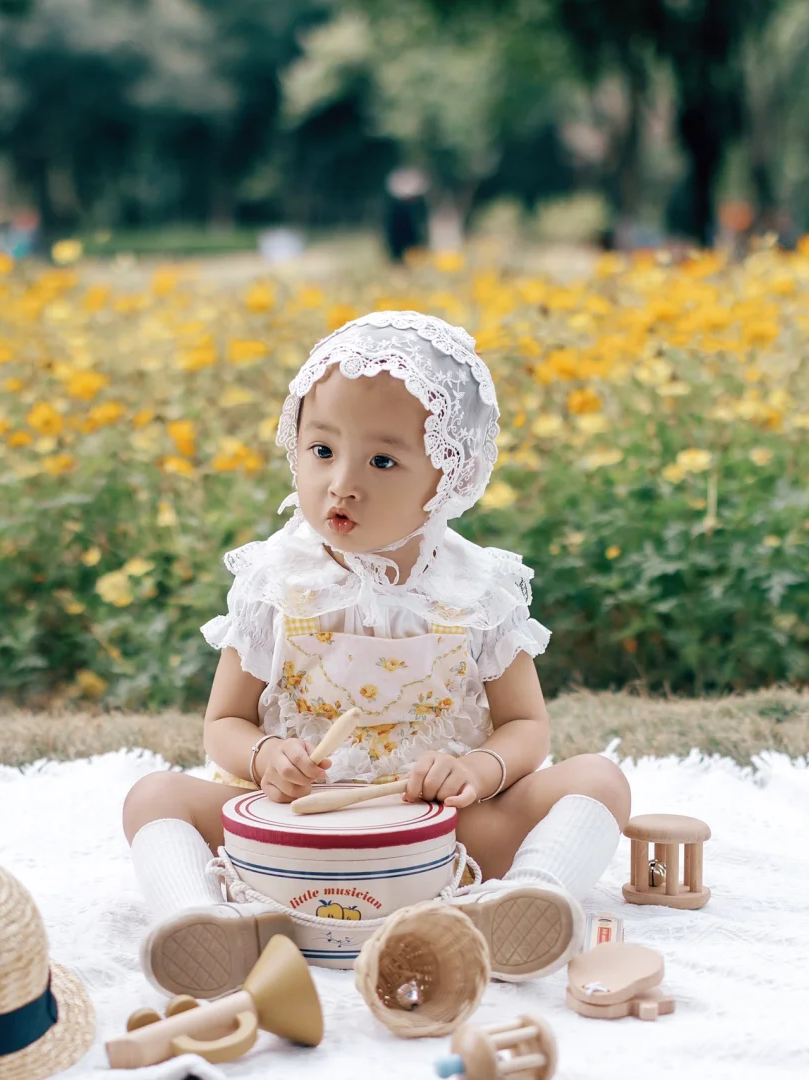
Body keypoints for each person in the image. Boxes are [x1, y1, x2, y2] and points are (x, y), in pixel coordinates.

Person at [121, 311, 631, 999]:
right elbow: (224, 724)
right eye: (321, 451)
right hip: (291, 832)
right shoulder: (276, 583)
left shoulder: (476, 589)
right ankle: (199, 922)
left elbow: (526, 728)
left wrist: (477, 770)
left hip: (444, 836)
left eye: (382, 461)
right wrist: (265, 757)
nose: (341, 484)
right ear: (292, 447)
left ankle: (520, 906)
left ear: (450, 475)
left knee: (598, 779)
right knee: (153, 795)